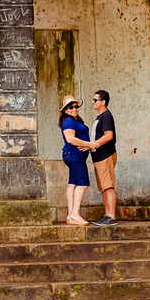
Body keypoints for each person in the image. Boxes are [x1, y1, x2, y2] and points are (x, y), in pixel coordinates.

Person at [59, 95, 95, 226]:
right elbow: (70, 139)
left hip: (73, 155)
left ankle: (70, 216)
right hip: (74, 155)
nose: (74, 109)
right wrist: (89, 144)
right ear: (65, 110)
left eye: (76, 106)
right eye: (71, 107)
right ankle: (74, 214)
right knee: (83, 184)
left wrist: (86, 145)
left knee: (72, 184)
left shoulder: (73, 120)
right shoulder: (68, 121)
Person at [90, 90, 119, 226]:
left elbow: (109, 135)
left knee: (108, 186)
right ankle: (107, 215)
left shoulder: (106, 116)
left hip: (105, 155)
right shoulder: (100, 117)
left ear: (103, 102)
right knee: (104, 187)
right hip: (99, 157)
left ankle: (111, 217)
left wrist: (94, 144)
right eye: (93, 100)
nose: (93, 102)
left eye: (96, 100)